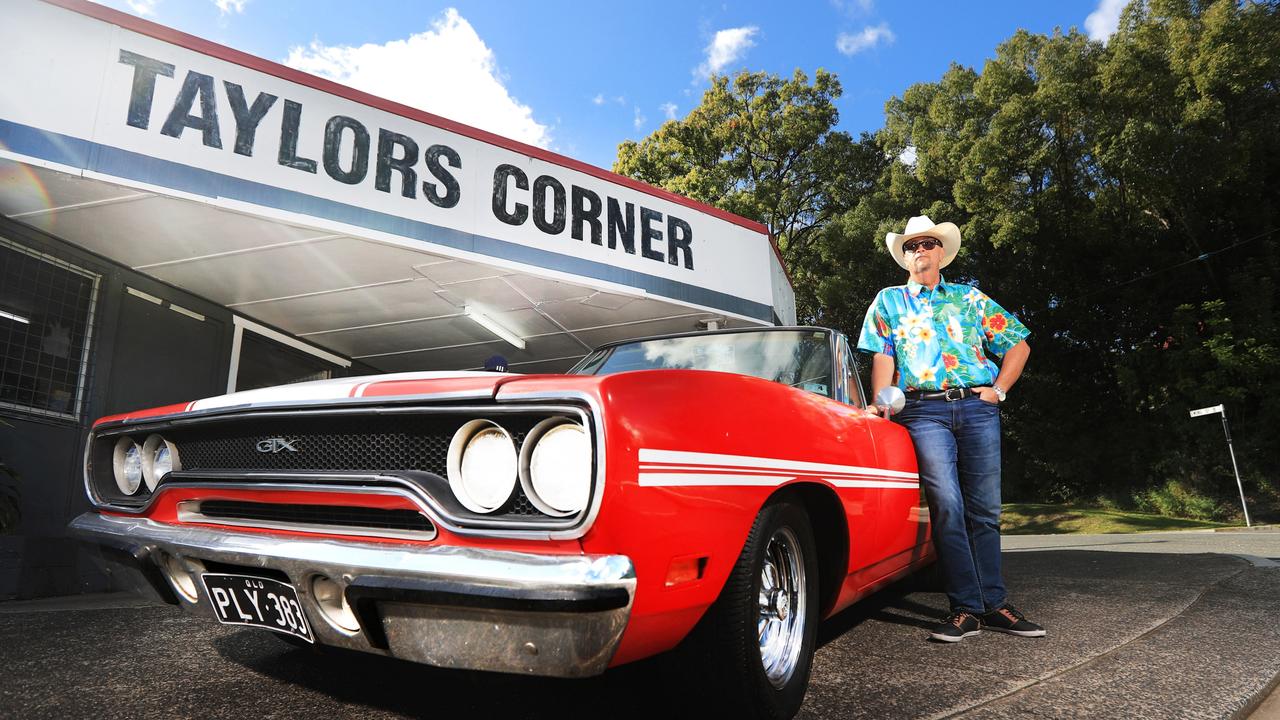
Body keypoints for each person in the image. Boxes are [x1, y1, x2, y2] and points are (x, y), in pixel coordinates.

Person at [856, 215, 1043, 643]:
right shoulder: (888, 301)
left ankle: (994, 605)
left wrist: (999, 390)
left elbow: (1019, 344)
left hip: (977, 409)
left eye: (927, 243)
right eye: (911, 245)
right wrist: (881, 402)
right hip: (923, 411)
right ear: (903, 256)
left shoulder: (969, 298)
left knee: (985, 511)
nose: (920, 250)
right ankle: (965, 609)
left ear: (942, 251)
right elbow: (883, 358)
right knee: (948, 505)